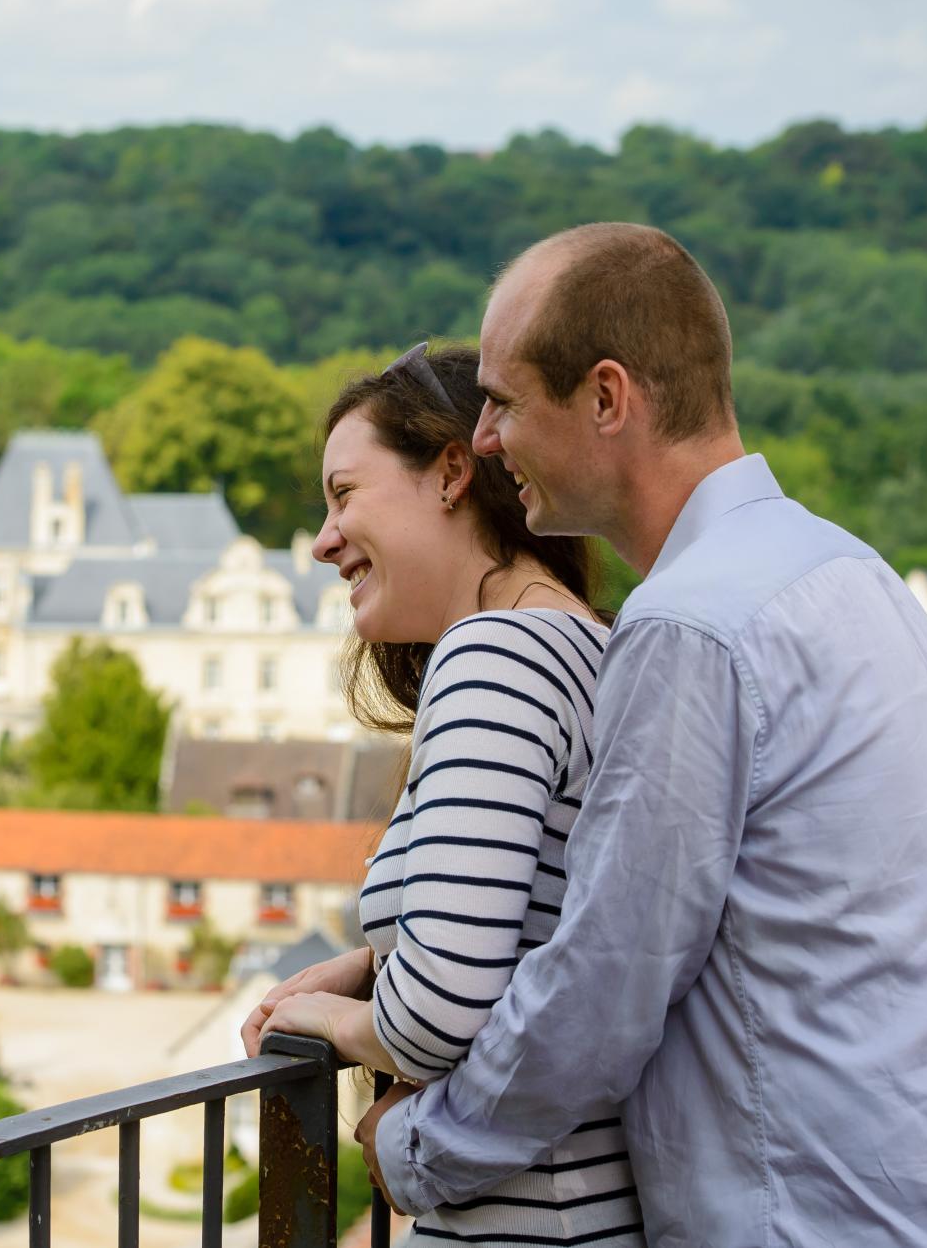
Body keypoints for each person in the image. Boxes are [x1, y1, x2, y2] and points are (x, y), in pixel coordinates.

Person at [354, 224, 927, 1246]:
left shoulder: (693, 626)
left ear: (607, 399)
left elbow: (604, 985)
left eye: (505, 402)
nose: (489, 440)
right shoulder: (850, 573)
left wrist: (420, 1148)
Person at [241, 344, 644, 1246]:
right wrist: (373, 964)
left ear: (453, 473)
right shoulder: (595, 648)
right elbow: (539, 935)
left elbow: (440, 1014)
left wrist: (328, 1020)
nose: (322, 539)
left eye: (345, 495)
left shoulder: (495, 653)